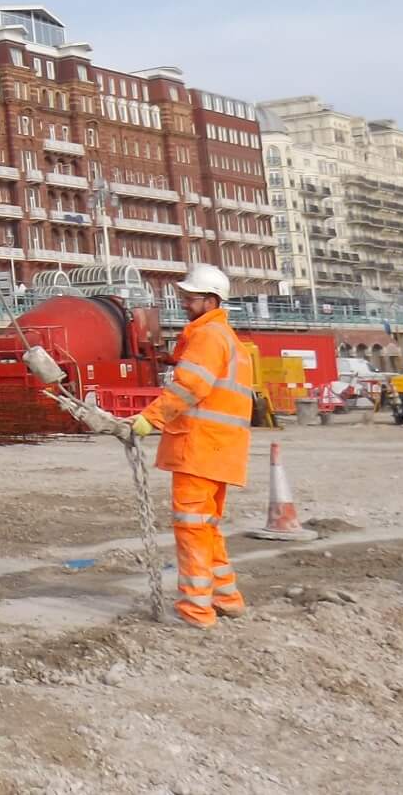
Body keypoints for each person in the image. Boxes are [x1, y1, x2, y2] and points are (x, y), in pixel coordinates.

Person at [131, 263, 254, 628]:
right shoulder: (228, 339)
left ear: (212, 300)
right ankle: (226, 598)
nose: (184, 303)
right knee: (207, 527)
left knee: (191, 528)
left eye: (191, 297)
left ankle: (196, 610)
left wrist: (149, 419)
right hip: (220, 452)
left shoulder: (209, 336)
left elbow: (190, 387)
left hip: (199, 451)